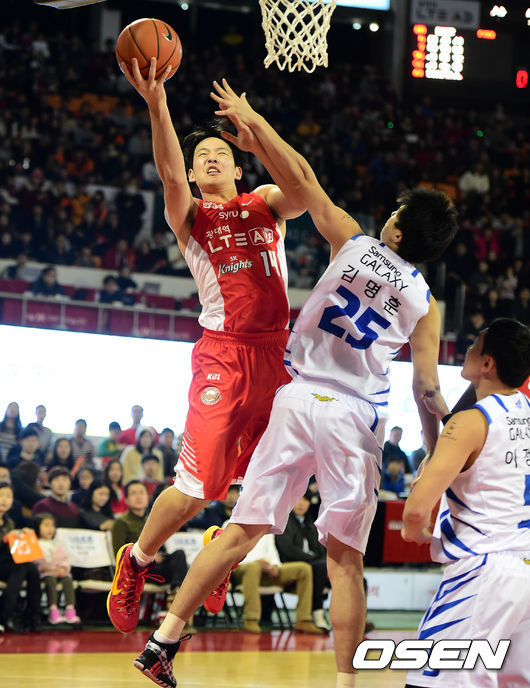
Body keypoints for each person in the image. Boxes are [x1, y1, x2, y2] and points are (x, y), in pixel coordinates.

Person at [130, 79, 459, 688]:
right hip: (352, 415)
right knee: (345, 563)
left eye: (394, 214)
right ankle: (345, 683)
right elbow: (426, 391)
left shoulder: (353, 241)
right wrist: (436, 459)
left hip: (296, 392)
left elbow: (303, 179)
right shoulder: (427, 304)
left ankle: (162, 640)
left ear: (395, 231)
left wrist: (257, 128)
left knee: (241, 529)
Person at [107, 58, 307, 640]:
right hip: (224, 355)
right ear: (195, 173)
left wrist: (257, 128)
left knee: (275, 482)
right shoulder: (191, 214)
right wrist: (157, 103)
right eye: (201, 157)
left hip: (277, 356)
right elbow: (169, 176)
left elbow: (303, 189)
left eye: (221, 152)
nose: (211, 159)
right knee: (198, 490)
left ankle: (222, 550)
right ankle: (137, 560)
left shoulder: (265, 201)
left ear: (238, 165)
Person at [402, 318, 530, 688]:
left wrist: (414, 532)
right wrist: (448, 417)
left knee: (433, 682)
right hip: (522, 566)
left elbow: (416, 508)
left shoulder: (470, 423)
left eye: (475, 345)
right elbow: (491, 446)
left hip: (485, 569)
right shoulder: (523, 407)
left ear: (488, 363)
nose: (467, 350)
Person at [230, 532, 323, 634]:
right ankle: (251, 619)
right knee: (253, 567)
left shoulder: (266, 528)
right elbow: (231, 553)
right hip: (243, 568)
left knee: (304, 569)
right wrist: (256, 562)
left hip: (267, 569)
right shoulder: (231, 526)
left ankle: (303, 619)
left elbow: (272, 550)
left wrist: (274, 565)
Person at [275, 491, 331, 631]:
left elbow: (320, 548)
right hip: (292, 565)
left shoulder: (310, 522)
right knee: (320, 567)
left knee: (355, 578)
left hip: (316, 565)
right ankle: (317, 613)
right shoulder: (283, 520)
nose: (301, 504)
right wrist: (314, 559)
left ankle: (357, 618)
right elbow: (287, 550)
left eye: (305, 500)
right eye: (298, 499)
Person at [0, 481, 42, 632]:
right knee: (20, 568)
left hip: (7, 563)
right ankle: (5, 616)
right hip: (4, 564)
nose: (4, 499)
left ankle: (34, 615)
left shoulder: (9, 522)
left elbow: (12, 550)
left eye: (8, 496)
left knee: (31, 569)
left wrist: (22, 537)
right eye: (1, 495)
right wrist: (5, 539)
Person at [34, 512, 80, 624]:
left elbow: (64, 559)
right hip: (46, 573)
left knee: (68, 580)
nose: (50, 529)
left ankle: (70, 610)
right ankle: (53, 610)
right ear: (37, 527)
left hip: (60, 572)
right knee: (50, 581)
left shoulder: (57, 544)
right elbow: (35, 561)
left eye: (52, 525)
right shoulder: (35, 543)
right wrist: (49, 569)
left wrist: (63, 568)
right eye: (46, 525)